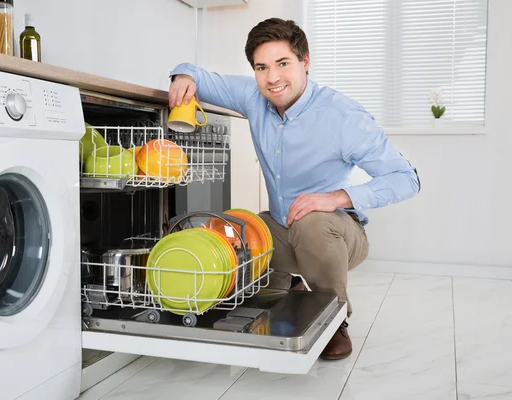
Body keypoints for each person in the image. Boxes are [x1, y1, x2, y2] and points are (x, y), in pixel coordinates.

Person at [168, 18, 420, 360]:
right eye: (262, 67)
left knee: (313, 219)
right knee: (234, 229)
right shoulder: (254, 96)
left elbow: (406, 178)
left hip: (338, 236)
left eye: (282, 63)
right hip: (284, 227)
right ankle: (281, 296)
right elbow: (197, 74)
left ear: (305, 62)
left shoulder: (342, 116)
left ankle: (334, 320)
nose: (272, 78)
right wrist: (183, 78)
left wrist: (338, 197)